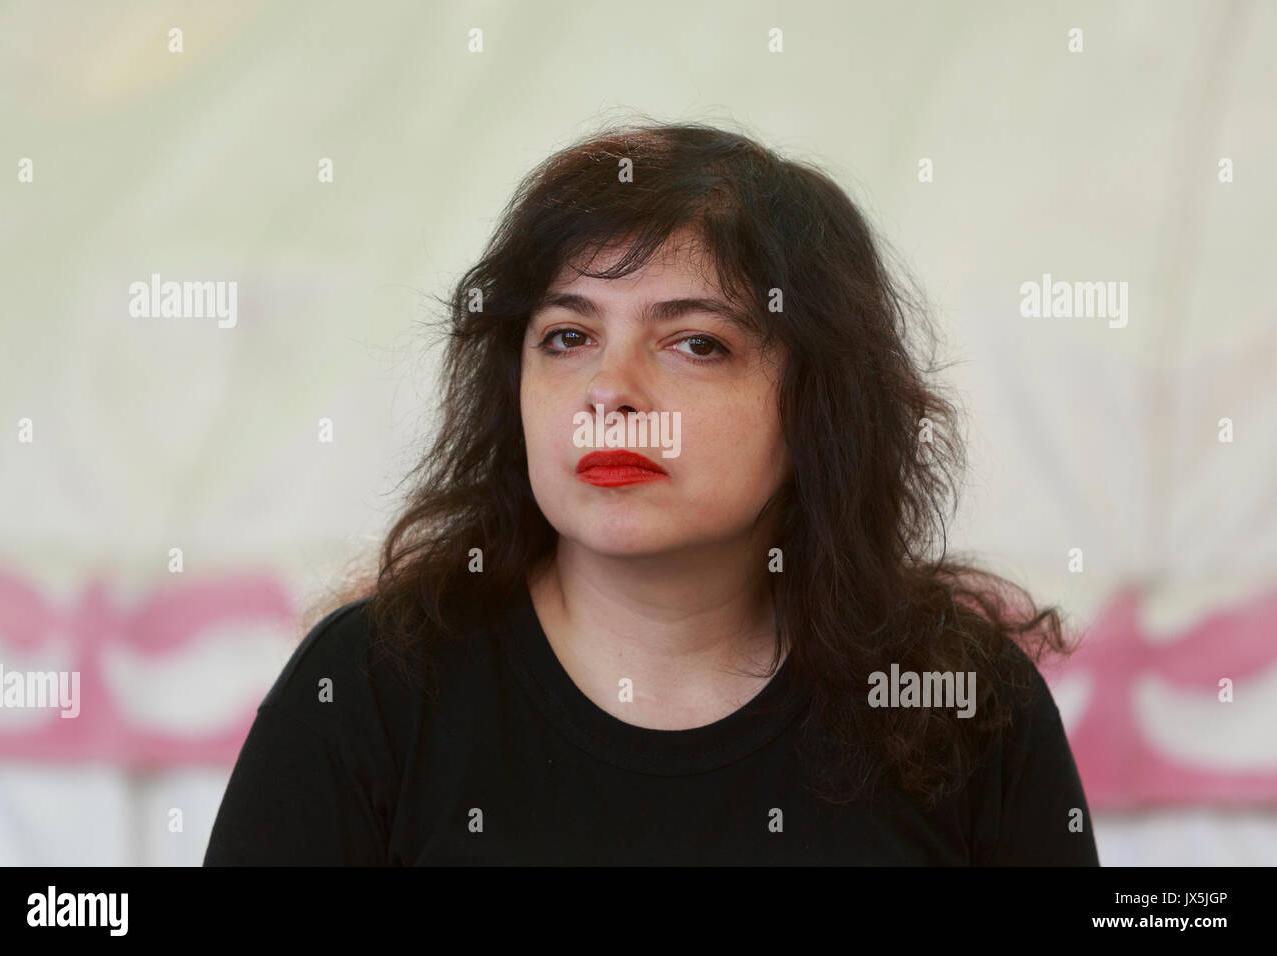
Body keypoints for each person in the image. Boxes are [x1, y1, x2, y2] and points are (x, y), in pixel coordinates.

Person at [204, 120, 1099, 866]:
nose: (610, 389)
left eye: (696, 343)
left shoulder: (960, 704)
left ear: (819, 404)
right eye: (565, 336)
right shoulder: (371, 688)